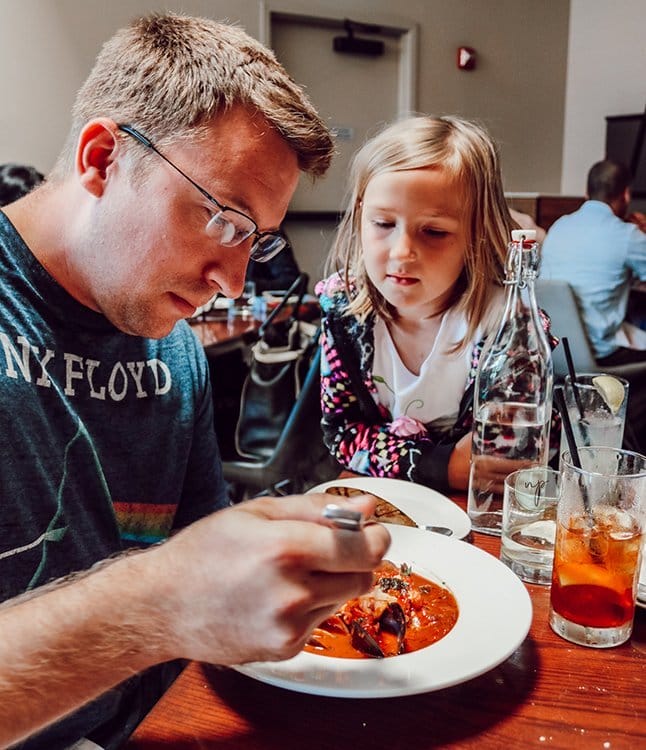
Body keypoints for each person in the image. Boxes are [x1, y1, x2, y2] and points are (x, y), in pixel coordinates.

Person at [0, 13, 390, 750]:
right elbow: (171, 595)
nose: (233, 280)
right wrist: (158, 603)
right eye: (221, 220)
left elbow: (199, 552)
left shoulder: (173, 353)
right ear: (102, 158)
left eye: (257, 240)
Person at [317, 115, 555, 493]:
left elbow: (507, 460)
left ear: (477, 232)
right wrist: (442, 465)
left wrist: (386, 449)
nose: (401, 252)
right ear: (361, 215)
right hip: (386, 507)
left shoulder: (508, 330)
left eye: (434, 232)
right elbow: (342, 434)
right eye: (382, 223)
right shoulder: (345, 310)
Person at [540, 159, 646, 365]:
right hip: (601, 356)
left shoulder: (559, 227)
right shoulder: (627, 236)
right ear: (626, 195)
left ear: (586, 193)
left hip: (553, 352)